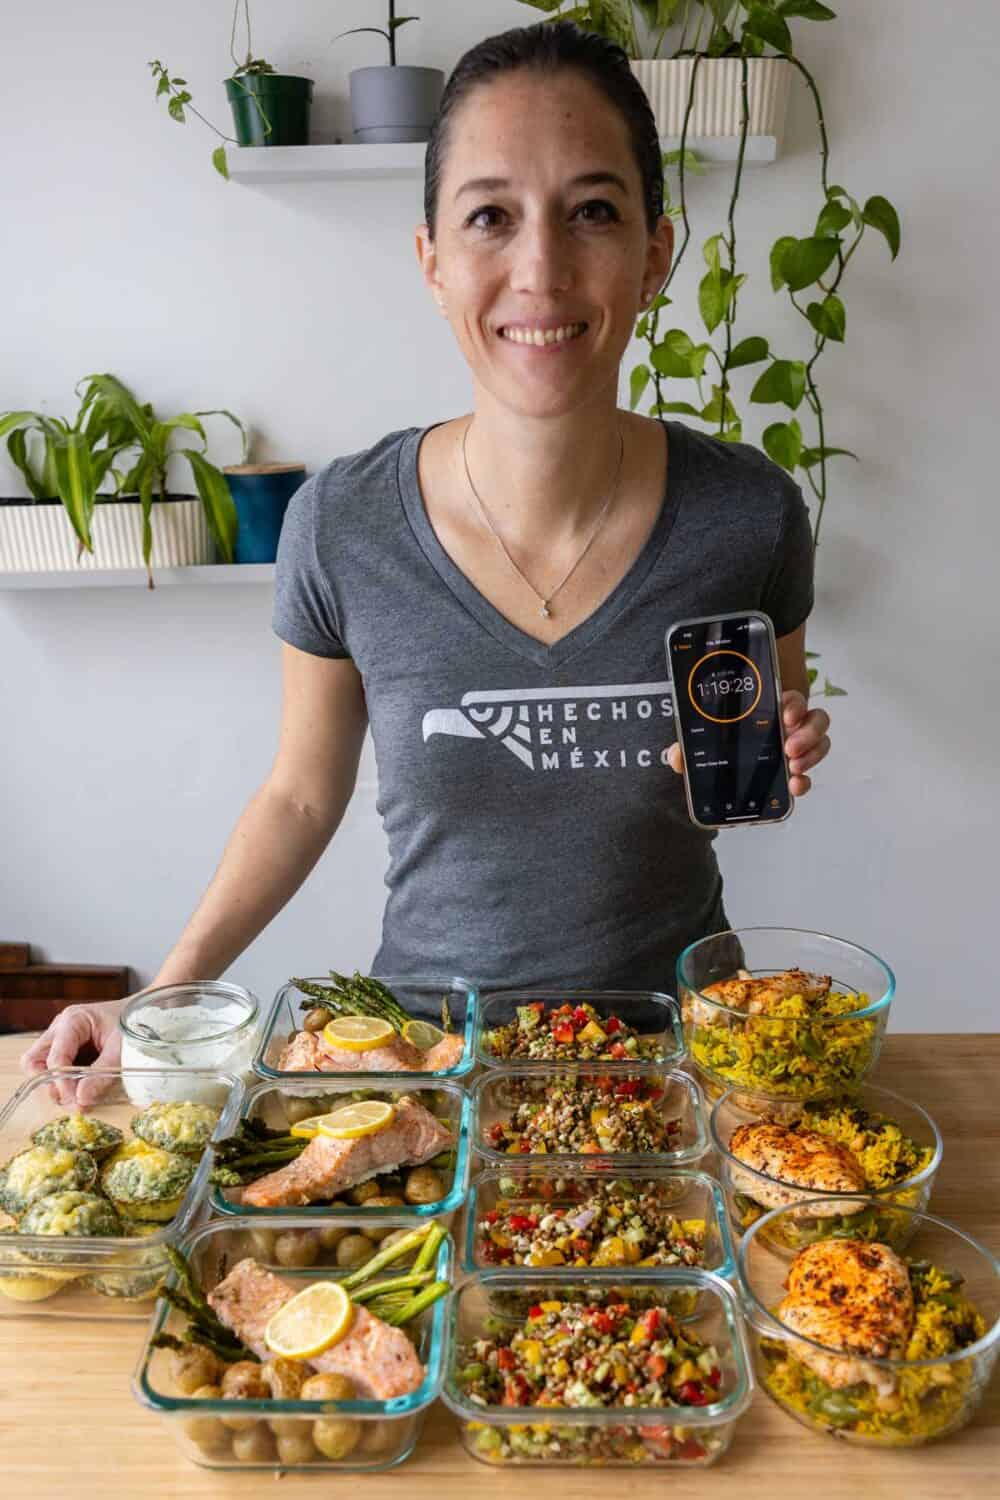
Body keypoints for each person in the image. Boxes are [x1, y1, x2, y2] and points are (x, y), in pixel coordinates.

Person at [22, 20, 831, 1081]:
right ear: (433, 260)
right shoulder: (342, 525)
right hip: (423, 1063)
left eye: (592, 211)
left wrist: (772, 756)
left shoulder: (748, 513)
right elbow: (299, 797)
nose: (539, 267)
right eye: (490, 216)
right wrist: (162, 995)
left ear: (654, 255)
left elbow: (738, 779)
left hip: (683, 1061)